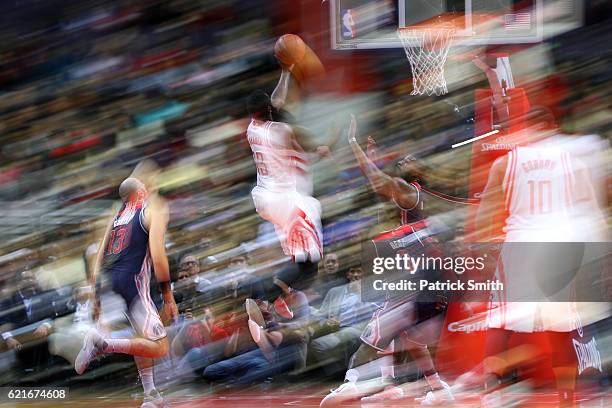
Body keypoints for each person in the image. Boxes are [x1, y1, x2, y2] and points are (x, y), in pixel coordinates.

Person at [475, 107, 607, 407]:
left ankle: (492, 392)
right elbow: (590, 209)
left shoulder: (505, 162)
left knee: (502, 322)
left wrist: (482, 251)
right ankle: (566, 398)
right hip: (560, 245)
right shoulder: (574, 157)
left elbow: (486, 213)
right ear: (554, 126)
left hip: (521, 245)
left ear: (530, 128)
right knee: (561, 328)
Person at [321, 115, 454, 406]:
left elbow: (378, 180)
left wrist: (354, 144)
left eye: (410, 159)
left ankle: (351, 382)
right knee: (410, 338)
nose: (405, 160)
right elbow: (382, 185)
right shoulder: (412, 199)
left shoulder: (409, 191)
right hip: (421, 277)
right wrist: (374, 157)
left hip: (416, 280)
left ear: (417, 171)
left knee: (374, 335)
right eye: (403, 159)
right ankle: (429, 385)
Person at [74, 161, 178, 408]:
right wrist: (168, 295)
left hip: (108, 282)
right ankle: (103, 345)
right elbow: (158, 256)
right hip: (132, 282)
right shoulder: (154, 208)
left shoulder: (117, 213)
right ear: (145, 185)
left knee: (140, 336)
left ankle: (151, 394)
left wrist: (95, 296)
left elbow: (97, 256)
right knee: (159, 346)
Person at [246, 90, 327, 290]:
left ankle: (281, 296)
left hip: (267, 199)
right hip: (287, 202)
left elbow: (276, 102)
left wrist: (285, 72)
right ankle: (267, 299)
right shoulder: (281, 130)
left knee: (305, 262)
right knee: (308, 263)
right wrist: (320, 148)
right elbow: (303, 136)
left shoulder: (251, 129)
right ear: (269, 109)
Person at [308, 266, 378, 375]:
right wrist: (326, 322)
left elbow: (376, 315)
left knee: (349, 336)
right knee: (317, 345)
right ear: (348, 275)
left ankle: (348, 376)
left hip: (362, 331)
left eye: (359, 271)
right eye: (352, 271)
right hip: (337, 331)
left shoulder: (373, 291)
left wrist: (361, 294)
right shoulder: (335, 291)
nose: (355, 275)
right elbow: (321, 315)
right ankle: (337, 375)